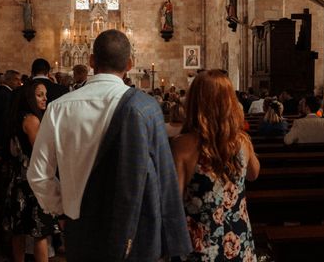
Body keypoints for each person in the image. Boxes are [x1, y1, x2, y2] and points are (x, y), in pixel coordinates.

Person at [28, 29, 191, 261]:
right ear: (130, 63)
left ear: (92, 61)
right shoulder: (146, 108)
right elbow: (165, 178)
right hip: (134, 229)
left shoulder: (58, 108)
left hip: (79, 226)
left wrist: (62, 210)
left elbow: (38, 175)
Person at [171, 70, 260, 261]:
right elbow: (254, 174)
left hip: (201, 246)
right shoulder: (241, 141)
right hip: (237, 242)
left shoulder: (182, 145)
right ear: (230, 102)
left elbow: (173, 201)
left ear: (194, 102)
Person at [3, 81, 59, 262]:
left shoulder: (17, 117)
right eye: (40, 95)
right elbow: (40, 152)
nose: (45, 98)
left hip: (17, 178)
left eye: (45, 94)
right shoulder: (32, 120)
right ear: (29, 97)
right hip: (32, 181)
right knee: (40, 232)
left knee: (18, 230)